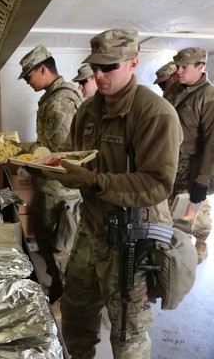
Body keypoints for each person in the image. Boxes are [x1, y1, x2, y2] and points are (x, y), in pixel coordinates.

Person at [42, 29, 183, 358]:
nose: (99, 75)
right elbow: (71, 155)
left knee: (127, 333)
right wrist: (49, 166)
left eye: (109, 67)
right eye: (95, 68)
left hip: (130, 236)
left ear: (133, 63)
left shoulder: (154, 113)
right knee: (76, 316)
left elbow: (157, 184)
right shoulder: (88, 111)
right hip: (90, 229)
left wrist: (92, 180)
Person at [18, 44, 83, 303]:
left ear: (43, 68)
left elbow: (58, 151)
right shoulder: (51, 97)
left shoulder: (60, 101)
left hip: (62, 191)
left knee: (61, 250)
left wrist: (24, 152)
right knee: (47, 242)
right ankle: (58, 288)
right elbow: (46, 142)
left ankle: (66, 302)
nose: (27, 82)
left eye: (29, 76)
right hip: (50, 188)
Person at [164, 47, 213, 263]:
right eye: (178, 66)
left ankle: (182, 261)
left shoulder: (209, 97)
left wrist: (202, 181)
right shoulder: (173, 89)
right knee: (164, 217)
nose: (179, 71)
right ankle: (167, 255)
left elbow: (212, 143)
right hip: (168, 165)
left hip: (190, 169)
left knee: (183, 219)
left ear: (200, 67)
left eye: (184, 67)